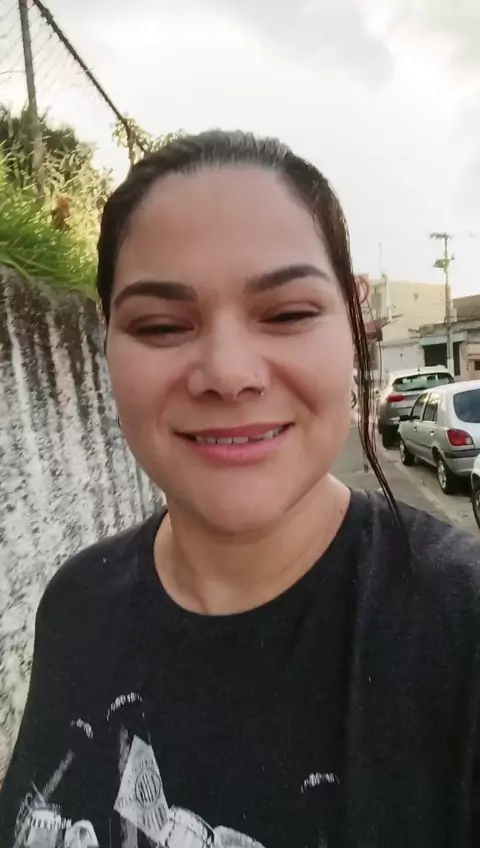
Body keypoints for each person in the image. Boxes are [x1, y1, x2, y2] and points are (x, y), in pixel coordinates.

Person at [1, 130, 479, 848]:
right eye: (162, 325)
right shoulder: (76, 603)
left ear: (354, 322)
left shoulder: (461, 635)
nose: (228, 373)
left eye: (287, 314)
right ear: (107, 340)